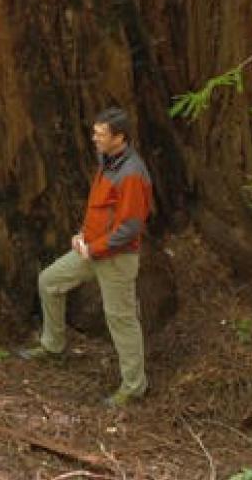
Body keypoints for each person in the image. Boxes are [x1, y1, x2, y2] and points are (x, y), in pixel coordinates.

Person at [17, 107, 154, 408]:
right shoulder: (108, 162)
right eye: (95, 132)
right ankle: (53, 346)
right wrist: (82, 234)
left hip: (116, 257)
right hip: (92, 249)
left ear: (119, 137)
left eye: (100, 134)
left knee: (121, 319)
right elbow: (101, 210)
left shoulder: (131, 172)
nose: (94, 138)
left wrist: (95, 247)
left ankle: (134, 386)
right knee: (49, 281)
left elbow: (131, 226)